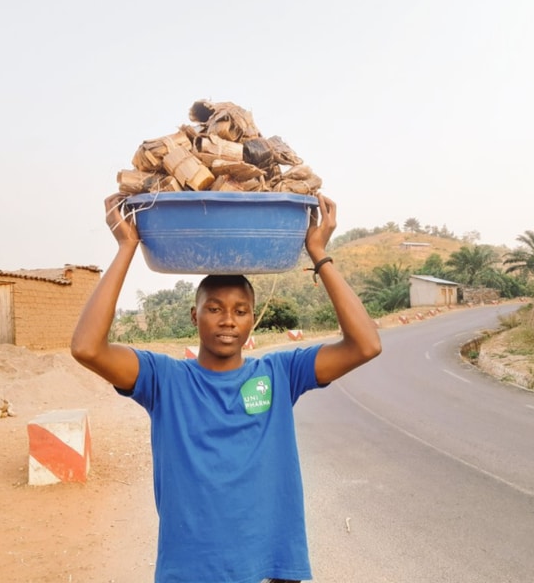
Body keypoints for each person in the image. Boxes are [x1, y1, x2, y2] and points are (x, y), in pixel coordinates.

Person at [71, 192, 382, 583]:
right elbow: (86, 348)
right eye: (214, 308)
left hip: (272, 568)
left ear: (254, 318)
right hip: (190, 571)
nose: (228, 321)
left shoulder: (280, 373)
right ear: (194, 315)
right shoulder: (163, 379)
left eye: (240, 310)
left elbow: (366, 345)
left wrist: (318, 252)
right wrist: (127, 246)